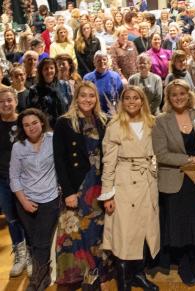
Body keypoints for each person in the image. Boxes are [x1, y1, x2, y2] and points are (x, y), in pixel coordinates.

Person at [97, 86, 159, 291]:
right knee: (124, 234)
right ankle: (123, 280)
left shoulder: (152, 122)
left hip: (147, 182)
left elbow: (157, 151)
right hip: (124, 184)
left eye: (136, 98)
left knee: (143, 231)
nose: (132, 102)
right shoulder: (115, 125)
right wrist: (108, 195)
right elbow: (108, 162)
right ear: (122, 102)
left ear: (142, 101)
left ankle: (138, 275)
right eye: (127, 98)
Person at [152, 79, 195, 286]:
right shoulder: (161, 120)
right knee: (180, 226)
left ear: (189, 95)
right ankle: (185, 265)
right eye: (174, 95)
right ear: (168, 98)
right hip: (174, 180)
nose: (178, 98)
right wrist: (190, 160)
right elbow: (161, 154)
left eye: (182, 94)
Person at [53, 81, 110, 289]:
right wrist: (68, 192)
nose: (87, 99)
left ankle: (95, 274)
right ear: (76, 98)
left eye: (91, 96)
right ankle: (80, 275)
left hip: (99, 185)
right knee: (76, 234)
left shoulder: (103, 121)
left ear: (96, 98)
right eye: (83, 95)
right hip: (78, 186)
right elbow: (59, 160)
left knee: (96, 232)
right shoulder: (64, 122)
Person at [9, 108, 58, 290]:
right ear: (22, 128)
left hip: (50, 198)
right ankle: (43, 276)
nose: (31, 128)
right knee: (33, 240)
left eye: (34, 123)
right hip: (25, 200)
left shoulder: (53, 140)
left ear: (42, 123)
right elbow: (14, 177)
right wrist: (24, 202)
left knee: (41, 241)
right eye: (26, 125)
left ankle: (37, 280)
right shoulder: (18, 147)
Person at [0, 87, 30, 277]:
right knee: (11, 217)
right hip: (2, 179)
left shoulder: (24, 122)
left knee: (27, 217)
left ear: (16, 101)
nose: (6, 104)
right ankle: (19, 254)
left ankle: (31, 255)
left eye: (9, 100)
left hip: (25, 179)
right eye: (2, 102)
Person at [26, 58, 72, 127]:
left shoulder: (64, 85)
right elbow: (34, 113)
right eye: (46, 69)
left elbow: (71, 106)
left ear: (55, 70)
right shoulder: (34, 90)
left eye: (51, 68)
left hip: (66, 125)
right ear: (41, 71)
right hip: (46, 128)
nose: (49, 71)